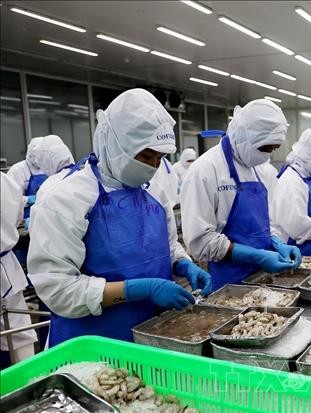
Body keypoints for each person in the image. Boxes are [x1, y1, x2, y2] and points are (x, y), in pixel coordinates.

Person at [27, 89, 211, 346]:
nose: (154, 166)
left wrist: (182, 263)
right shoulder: (67, 198)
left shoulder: (154, 190)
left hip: (155, 333)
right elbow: (58, 289)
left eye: (160, 158)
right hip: (93, 343)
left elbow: (168, 244)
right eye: (146, 156)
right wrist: (138, 289)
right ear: (115, 144)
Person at [180, 99, 301, 291]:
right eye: (265, 148)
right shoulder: (205, 170)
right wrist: (256, 255)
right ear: (244, 137)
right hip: (228, 284)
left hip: (263, 277)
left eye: (274, 149)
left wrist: (276, 242)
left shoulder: (260, 169)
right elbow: (200, 242)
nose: (268, 155)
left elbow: (267, 222)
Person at [1, 173, 37, 367]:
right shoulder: (5, 181)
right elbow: (17, 217)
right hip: (5, 267)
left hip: (5, 266)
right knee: (18, 332)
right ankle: (26, 383)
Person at [7, 135, 74, 219]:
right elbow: (10, 199)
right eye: (36, 157)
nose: (38, 161)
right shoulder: (17, 170)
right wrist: (28, 200)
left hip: (46, 214)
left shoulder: (49, 166)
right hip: (24, 218)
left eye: (41, 158)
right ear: (30, 154)